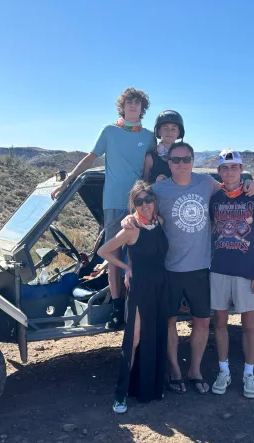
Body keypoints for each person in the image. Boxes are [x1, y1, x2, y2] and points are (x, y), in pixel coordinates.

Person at [122, 142, 254, 394]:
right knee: (169, 321)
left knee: (202, 321)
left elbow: (232, 189)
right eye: (176, 160)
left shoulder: (206, 183)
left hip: (202, 267)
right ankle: (175, 370)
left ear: (193, 161)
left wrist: (251, 184)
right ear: (169, 163)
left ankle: (194, 370)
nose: (181, 164)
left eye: (186, 159)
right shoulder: (159, 189)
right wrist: (129, 217)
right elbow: (140, 206)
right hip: (169, 268)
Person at [51, 87, 156, 331]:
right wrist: (67, 182)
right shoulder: (110, 131)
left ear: (142, 108)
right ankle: (117, 307)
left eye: (137, 103)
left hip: (140, 203)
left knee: (141, 256)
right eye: (129, 102)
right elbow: (90, 158)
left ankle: (140, 307)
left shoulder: (150, 137)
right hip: (114, 202)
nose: (133, 106)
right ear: (122, 107)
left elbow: (156, 165)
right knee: (114, 256)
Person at [97, 181, 169, 413]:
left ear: (154, 200)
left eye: (148, 199)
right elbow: (103, 251)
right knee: (135, 338)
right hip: (140, 286)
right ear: (133, 205)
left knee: (156, 333)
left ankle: (151, 387)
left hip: (161, 283)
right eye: (139, 201)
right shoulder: (130, 229)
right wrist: (125, 267)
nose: (145, 204)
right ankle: (121, 394)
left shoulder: (160, 222)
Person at [209, 149, 254, 398]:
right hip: (219, 269)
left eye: (234, 167)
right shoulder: (215, 198)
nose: (230, 172)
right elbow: (212, 231)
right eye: (224, 168)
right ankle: (223, 370)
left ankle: (249, 373)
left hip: (246, 272)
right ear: (219, 172)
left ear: (241, 169)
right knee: (220, 323)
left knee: (248, 324)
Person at [143, 110, 184, 183]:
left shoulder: (184, 156)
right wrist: (156, 183)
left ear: (179, 132)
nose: (169, 132)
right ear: (158, 131)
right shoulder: (150, 158)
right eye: (165, 128)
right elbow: (144, 185)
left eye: (173, 129)